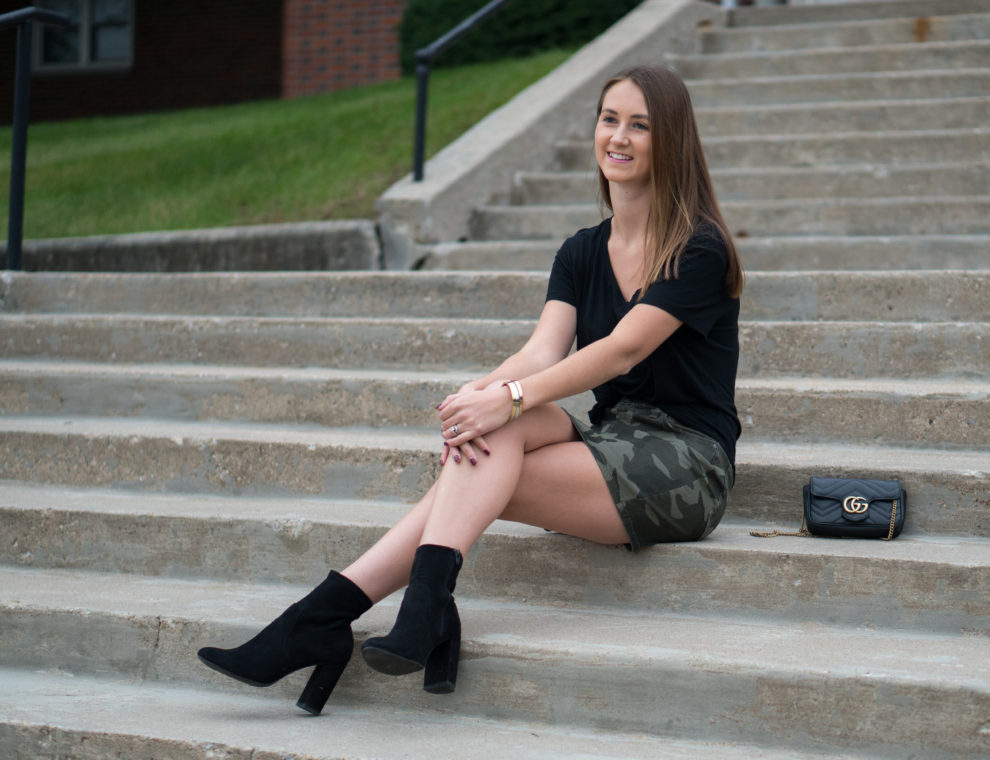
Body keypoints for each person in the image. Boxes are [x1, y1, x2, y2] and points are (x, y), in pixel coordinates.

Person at [197, 63, 744, 715]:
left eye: (640, 125)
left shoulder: (698, 250)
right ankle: (395, 611)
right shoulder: (580, 251)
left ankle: (338, 616)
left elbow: (620, 348)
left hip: (685, 464)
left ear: (671, 141)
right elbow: (542, 350)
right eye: (608, 119)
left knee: (488, 447)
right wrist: (480, 392)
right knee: (486, 430)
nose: (618, 137)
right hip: (612, 440)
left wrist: (509, 398)